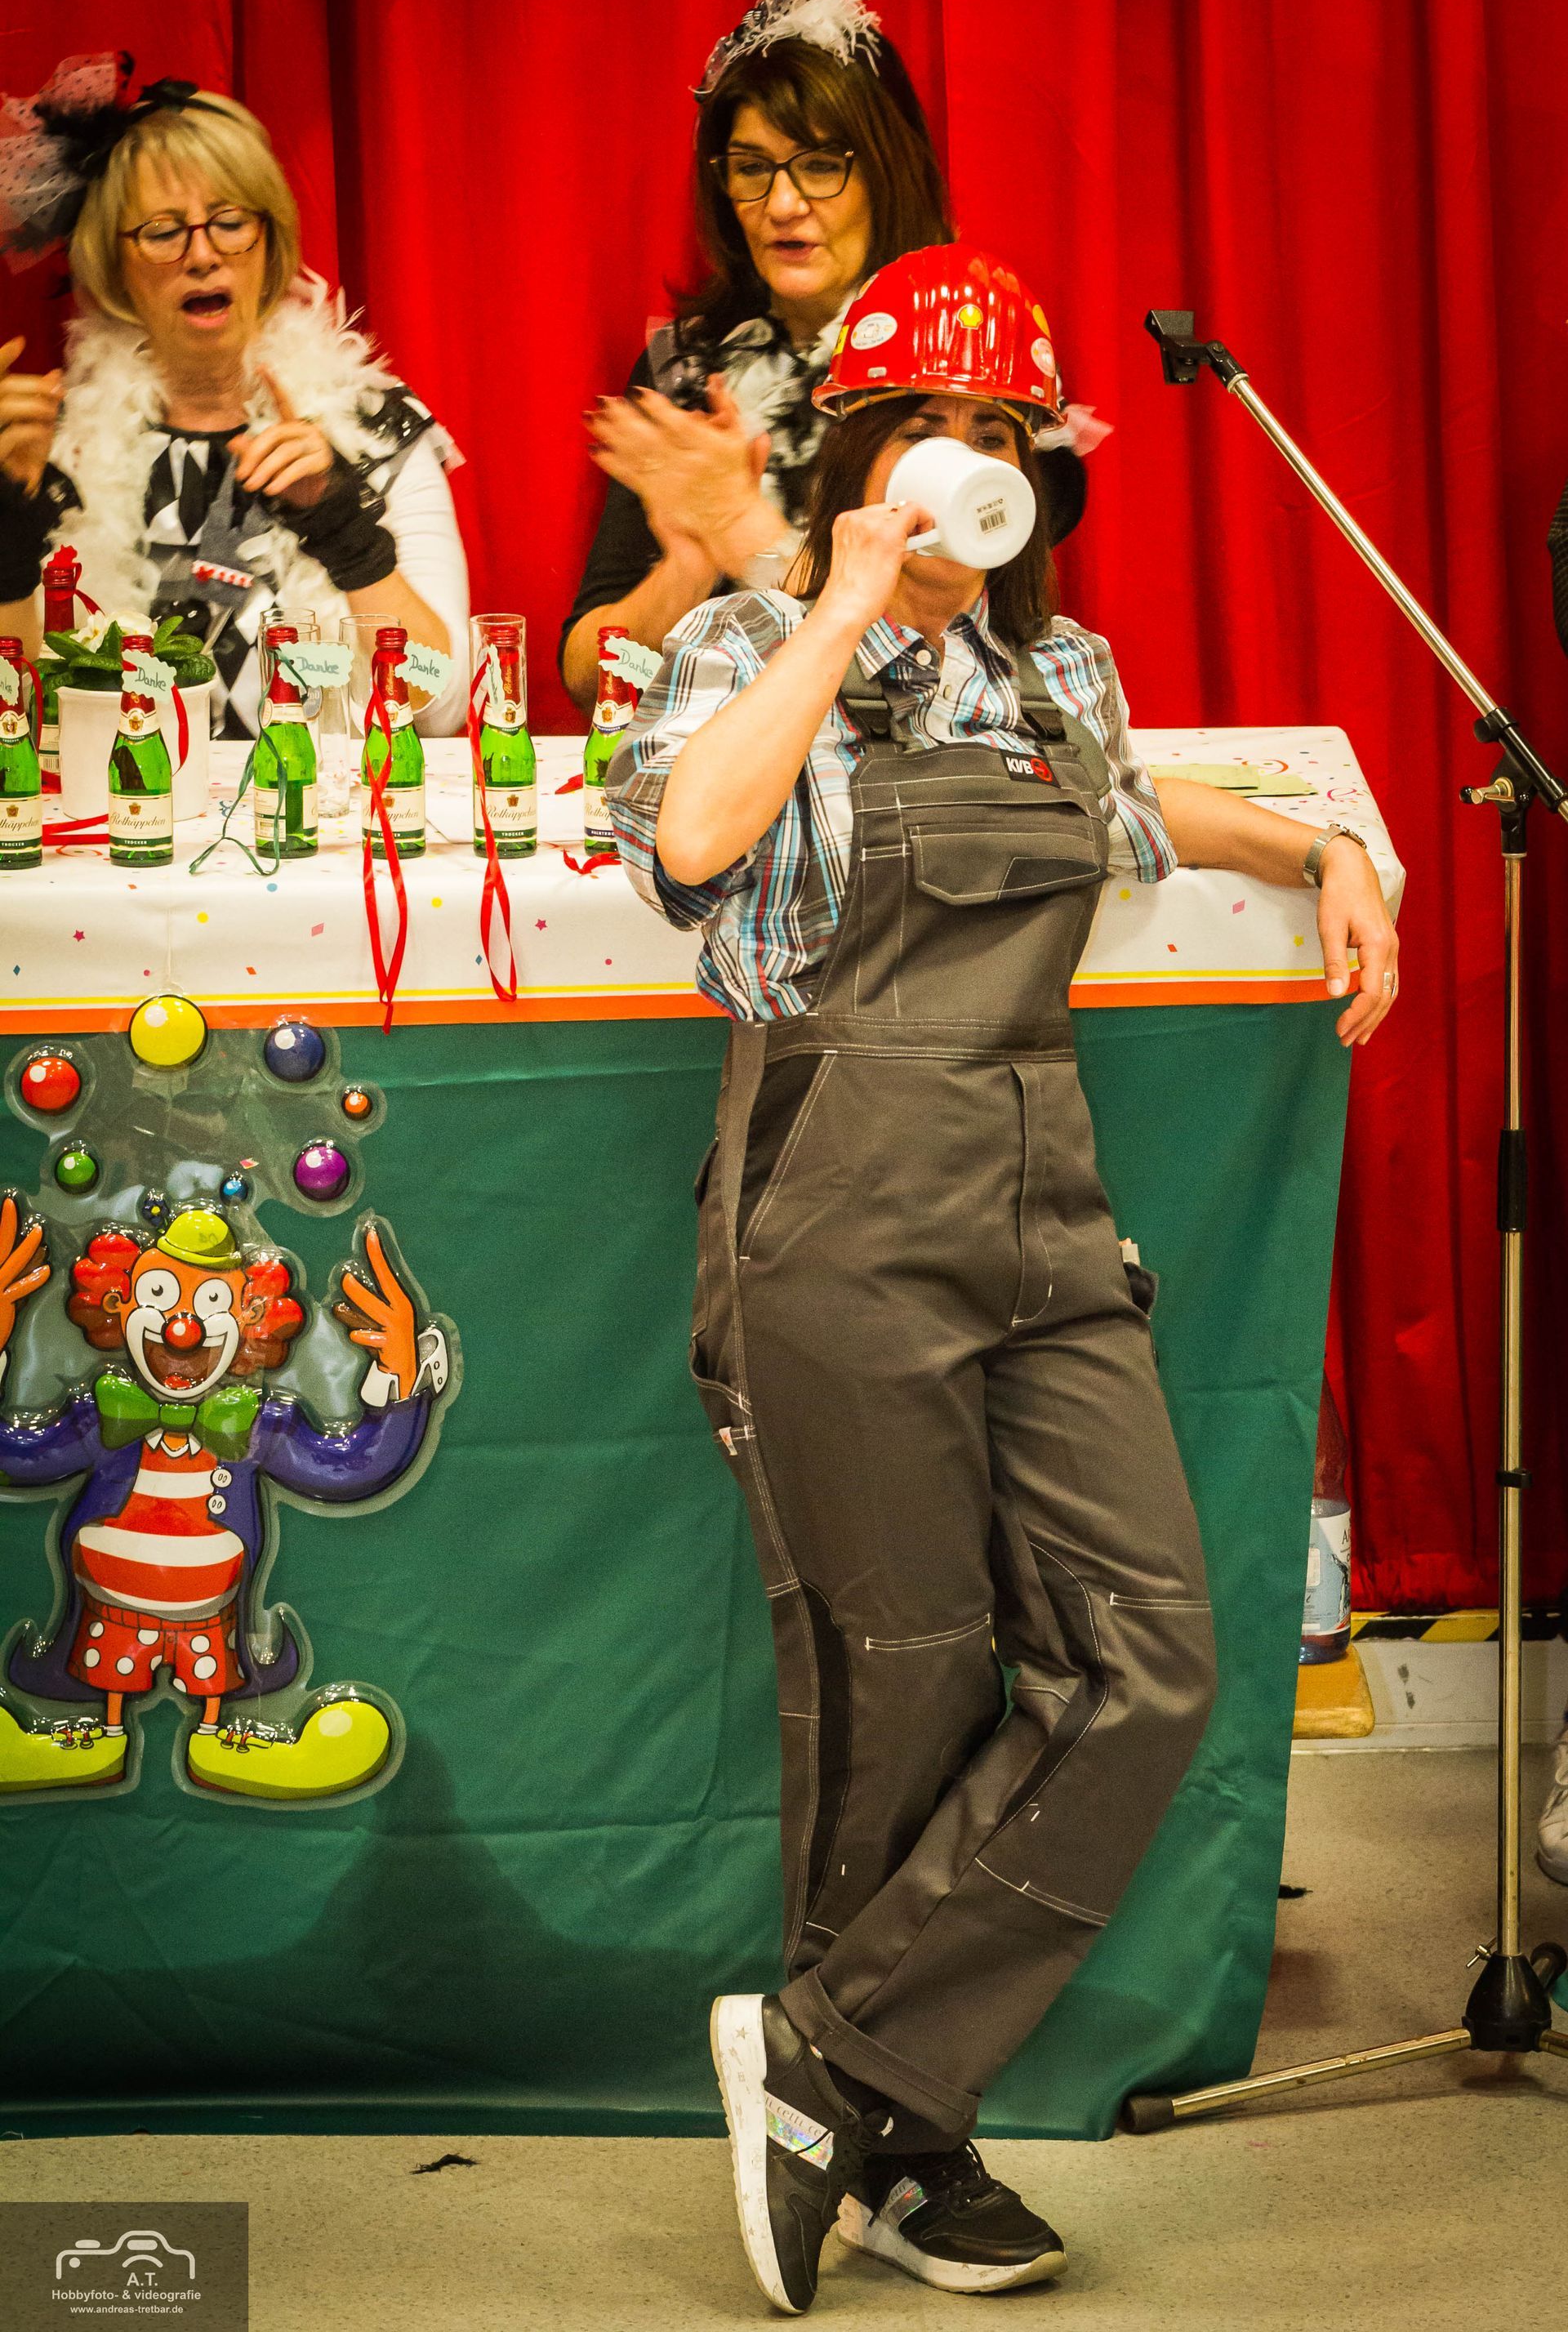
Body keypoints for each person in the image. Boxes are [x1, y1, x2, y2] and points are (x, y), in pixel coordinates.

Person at [608, 243, 1401, 2312]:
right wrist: (840, 603)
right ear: (854, 449)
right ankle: (912, 2135)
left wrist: (1322, 847)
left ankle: (833, 2057)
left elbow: (1137, 811)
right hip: (837, 1202)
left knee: (1152, 1656)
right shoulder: (741, 643)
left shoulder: (1062, 675)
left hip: (1044, 1208)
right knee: (906, 1675)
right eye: (925, 431)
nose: (964, 467)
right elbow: (692, 843)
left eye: (999, 438)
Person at [560, 0, 1089, 714]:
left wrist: (743, 529)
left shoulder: (971, 353)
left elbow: (930, 647)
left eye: (818, 165)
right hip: (717, 762)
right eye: (752, 168)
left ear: (885, 170)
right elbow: (590, 679)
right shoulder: (688, 371)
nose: (782, 204)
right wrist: (688, 565)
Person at [0, 53, 467, 737]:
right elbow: (21, 715)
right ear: (115, 265)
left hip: (321, 802)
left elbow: (441, 703)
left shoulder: (373, 428)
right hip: (126, 799)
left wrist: (345, 529)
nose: (202, 255)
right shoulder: (54, 450)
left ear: (269, 239)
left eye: (229, 221)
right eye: (163, 232)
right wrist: (9, 547)